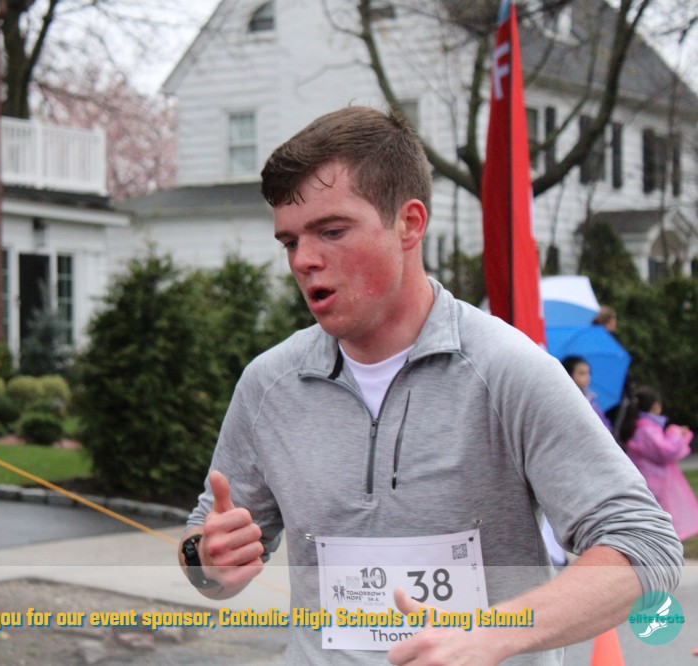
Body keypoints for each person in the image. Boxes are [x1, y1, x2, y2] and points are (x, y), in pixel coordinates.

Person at [178, 106, 682, 665]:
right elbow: (205, 549)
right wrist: (207, 561)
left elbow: (646, 546)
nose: (305, 260)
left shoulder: (506, 370)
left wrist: (494, 634)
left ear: (410, 224)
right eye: (290, 241)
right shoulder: (269, 385)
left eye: (332, 231)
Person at [622, 386, 698, 541]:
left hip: (645, 481)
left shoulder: (638, 427)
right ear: (656, 406)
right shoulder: (646, 429)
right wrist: (675, 433)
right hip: (655, 483)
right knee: (662, 521)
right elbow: (665, 451)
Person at [561, 355, 613, 434]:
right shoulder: (563, 399)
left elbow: (604, 425)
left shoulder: (590, 400)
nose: (587, 377)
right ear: (569, 374)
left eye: (588, 373)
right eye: (582, 373)